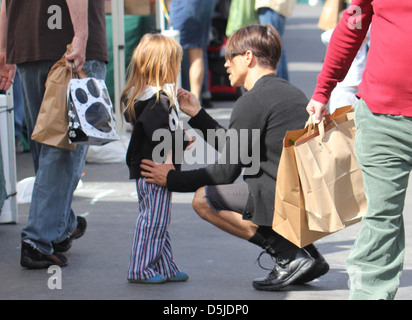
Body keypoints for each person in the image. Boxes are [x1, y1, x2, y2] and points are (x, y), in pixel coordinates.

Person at [141, 24, 329, 291]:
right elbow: (242, 151)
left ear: (248, 57)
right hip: (306, 197)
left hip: (281, 197)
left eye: (230, 56)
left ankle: (288, 256)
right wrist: (199, 115)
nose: (225, 63)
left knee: (204, 199)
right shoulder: (290, 92)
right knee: (253, 187)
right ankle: (309, 255)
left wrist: (170, 178)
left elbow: (223, 173)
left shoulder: (253, 101)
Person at [306, 0, 412, 300]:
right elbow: (352, 26)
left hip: (384, 113)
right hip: (383, 118)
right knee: (381, 217)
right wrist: (323, 89)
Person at [0, 0, 108, 269]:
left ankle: (60, 225)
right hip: (68, 42)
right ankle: (39, 238)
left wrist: (3, 48)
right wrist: (81, 35)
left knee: (47, 145)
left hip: (27, 40)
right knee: (64, 148)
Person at [121, 33, 191, 284]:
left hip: (151, 169)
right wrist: (175, 155)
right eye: (176, 62)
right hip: (156, 171)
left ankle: (165, 264)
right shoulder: (156, 101)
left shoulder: (152, 98)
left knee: (158, 220)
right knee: (153, 221)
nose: (179, 67)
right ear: (163, 66)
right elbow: (162, 136)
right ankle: (140, 267)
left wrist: (181, 140)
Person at [169, 0, 216, 103]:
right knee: (196, 50)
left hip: (187, 6)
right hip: (202, 5)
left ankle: (173, 97)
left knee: (172, 45)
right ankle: (195, 99)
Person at [255, 0, 297, 81]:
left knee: (272, 47)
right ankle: (281, 85)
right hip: (273, 5)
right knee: (275, 46)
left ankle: (277, 84)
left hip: (271, 5)